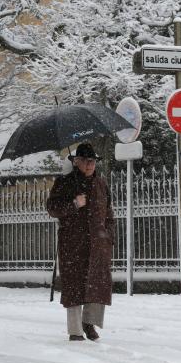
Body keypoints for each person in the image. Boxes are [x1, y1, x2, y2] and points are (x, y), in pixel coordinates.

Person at [46, 142, 115, 341]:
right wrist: (75, 203)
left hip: (98, 243)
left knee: (98, 284)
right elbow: (52, 208)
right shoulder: (65, 183)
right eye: (85, 161)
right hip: (73, 244)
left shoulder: (101, 184)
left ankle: (90, 323)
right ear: (76, 162)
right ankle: (75, 330)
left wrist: (109, 235)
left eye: (92, 161)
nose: (90, 165)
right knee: (74, 286)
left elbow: (109, 213)